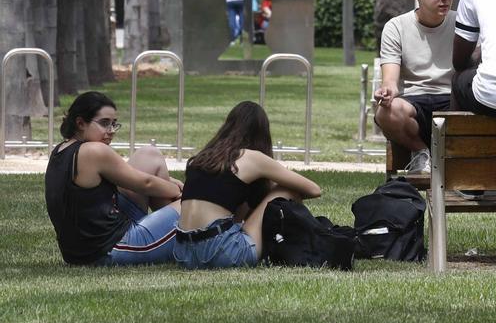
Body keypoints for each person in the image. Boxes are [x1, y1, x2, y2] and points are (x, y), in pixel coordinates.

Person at [173, 101, 322, 269]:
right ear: (262, 134)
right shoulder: (252, 157)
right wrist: (271, 190)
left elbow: (234, 219)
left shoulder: (203, 158)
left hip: (183, 255)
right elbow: (314, 189)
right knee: (286, 189)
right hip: (221, 253)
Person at [44, 91, 184, 266]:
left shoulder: (61, 150)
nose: (111, 131)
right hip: (109, 250)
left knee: (150, 154)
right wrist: (182, 193)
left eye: (114, 124)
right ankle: (185, 236)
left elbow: (125, 175)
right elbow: (145, 183)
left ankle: (174, 232)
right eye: (104, 124)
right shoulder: (94, 150)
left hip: (78, 252)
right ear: (80, 123)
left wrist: (169, 182)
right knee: (193, 202)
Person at [374, 0, 461, 173]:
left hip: (453, 100)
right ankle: (421, 152)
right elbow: (391, 81)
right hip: (414, 103)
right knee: (385, 112)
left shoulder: (462, 23)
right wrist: (386, 92)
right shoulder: (396, 27)